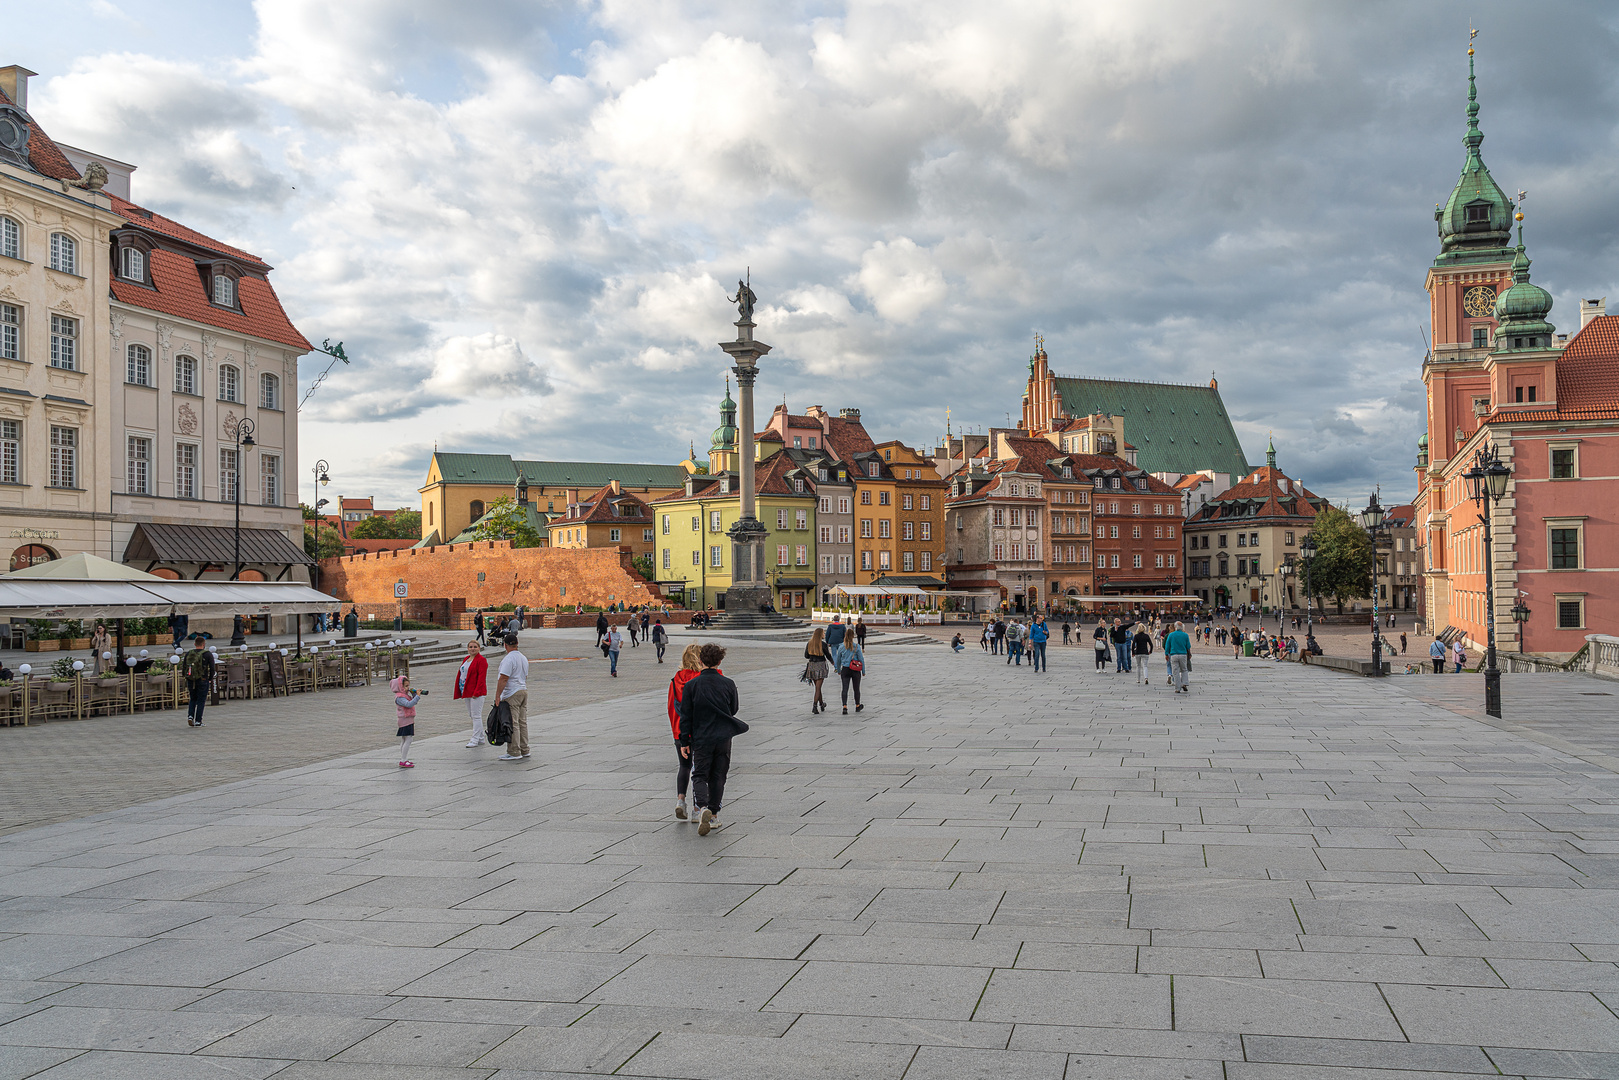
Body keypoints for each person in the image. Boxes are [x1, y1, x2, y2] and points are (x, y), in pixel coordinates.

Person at [676, 643, 747, 835]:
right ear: (720, 661)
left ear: (700, 661)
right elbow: (733, 709)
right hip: (723, 736)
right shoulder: (728, 683)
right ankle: (714, 814)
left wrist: (684, 741)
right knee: (719, 774)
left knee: (699, 774)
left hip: (701, 736)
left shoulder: (692, 686)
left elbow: (686, 716)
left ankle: (703, 806)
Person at [667, 644, 704, 820]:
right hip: (699, 730)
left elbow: (670, 707)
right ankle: (698, 809)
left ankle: (680, 800)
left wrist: (676, 728)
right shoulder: (700, 679)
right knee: (700, 769)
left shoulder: (675, 680)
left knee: (684, 766)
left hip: (679, 731)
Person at [495, 633, 529, 761]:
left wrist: (498, 695)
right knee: (522, 722)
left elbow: (504, 678)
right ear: (517, 644)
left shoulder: (508, 659)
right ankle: (524, 748)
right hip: (523, 690)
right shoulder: (523, 658)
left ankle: (514, 751)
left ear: (505, 645)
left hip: (512, 693)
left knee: (513, 723)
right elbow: (525, 676)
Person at [454, 639, 488, 748]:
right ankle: (481, 737)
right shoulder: (466, 659)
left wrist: (477, 692)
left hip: (476, 692)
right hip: (466, 690)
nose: (472, 649)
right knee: (472, 715)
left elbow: (481, 678)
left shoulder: (481, 660)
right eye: (470, 647)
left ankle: (474, 739)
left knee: (476, 715)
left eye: (475, 647)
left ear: (479, 648)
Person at [180, 637, 215, 728]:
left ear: (195, 644)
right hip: (203, 680)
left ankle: (190, 716)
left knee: (193, 698)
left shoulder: (189, 653)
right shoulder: (207, 654)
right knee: (201, 700)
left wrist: (186, 677)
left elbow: (184, 666)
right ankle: (198, 721)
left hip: (191, 679)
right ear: (204, 644)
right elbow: (212, 668)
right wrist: (210, 678)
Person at [831, 632, 866, 714]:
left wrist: (838, 670)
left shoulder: (841, 647)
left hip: (845, 669)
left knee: (845, 688)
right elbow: (861, 659)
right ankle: (857, 705)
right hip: (855, 669)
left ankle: (844, 706)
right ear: (853, 636)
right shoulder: (856, 647)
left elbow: (838, 660)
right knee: (856, 688)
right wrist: (863, 671)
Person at [392, 674, 420, 768]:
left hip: (407, 719)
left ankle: (404, 758)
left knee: (405, 739)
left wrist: (414, 694)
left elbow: (411, 701)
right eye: (406, 686)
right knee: (408, 739)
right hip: (405, 720)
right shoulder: (399, 697)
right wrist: (417, 697)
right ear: (400, 686)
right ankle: (403, 760)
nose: (408, 688)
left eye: (408, 685)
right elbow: (409, 704)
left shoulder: (403, 695)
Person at [804, 627, 831, 713]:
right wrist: (834, 663)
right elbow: (828, 655)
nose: (824, 635)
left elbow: (806, 656)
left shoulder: (809, 643)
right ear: (820, 635)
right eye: (823, 633)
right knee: (818, 688)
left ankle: (822, 704)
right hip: (820, 666)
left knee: (817, 688)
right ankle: (814, 706)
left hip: (812, 666)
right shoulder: (823, 644)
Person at [1165, 621, 1192, 693]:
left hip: (1174, 654)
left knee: (1175, 671)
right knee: (1184, 669)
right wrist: (1189, 654)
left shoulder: (1171, 635)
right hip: (1183, 654)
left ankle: (1177, 688)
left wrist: (1166, 654)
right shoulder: (1185, 635)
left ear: (1175, 627)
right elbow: (1188, 646)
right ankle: (1185, 683)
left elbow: (1167, 645)